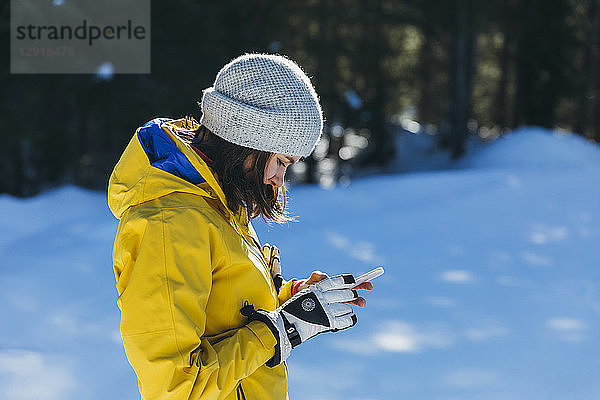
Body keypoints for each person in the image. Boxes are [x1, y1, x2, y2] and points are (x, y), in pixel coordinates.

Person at [108, 53, 373, 400]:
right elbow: (174, 388)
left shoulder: (216, 204)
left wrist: (293, 302)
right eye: (280, 161)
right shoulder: (170, 223)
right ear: (246, 139)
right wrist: (279, 332)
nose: (279, 179)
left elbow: (226, 310)